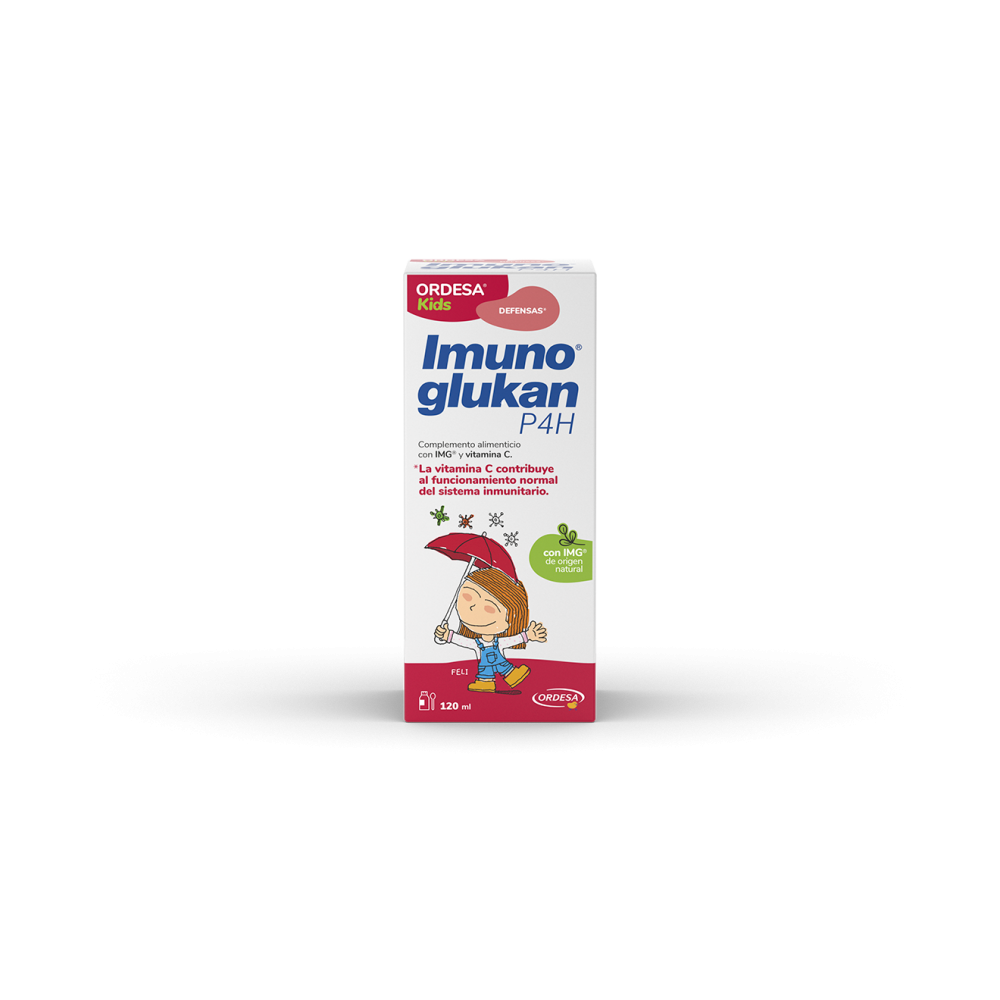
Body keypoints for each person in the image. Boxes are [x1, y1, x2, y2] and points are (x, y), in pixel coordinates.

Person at [433, 567, 547, 692]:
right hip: (485, 667)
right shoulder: (475, 643)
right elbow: (462, 641)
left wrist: (528, 635)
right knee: (485, 672)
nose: (473, 608)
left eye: (489, 608)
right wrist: (447, 635)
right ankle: (486, 683)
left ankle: (513, 675)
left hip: (501, 662)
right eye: (468, 597)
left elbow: (514, 639)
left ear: (510, 619)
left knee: (505, 667)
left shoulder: (500, 642)